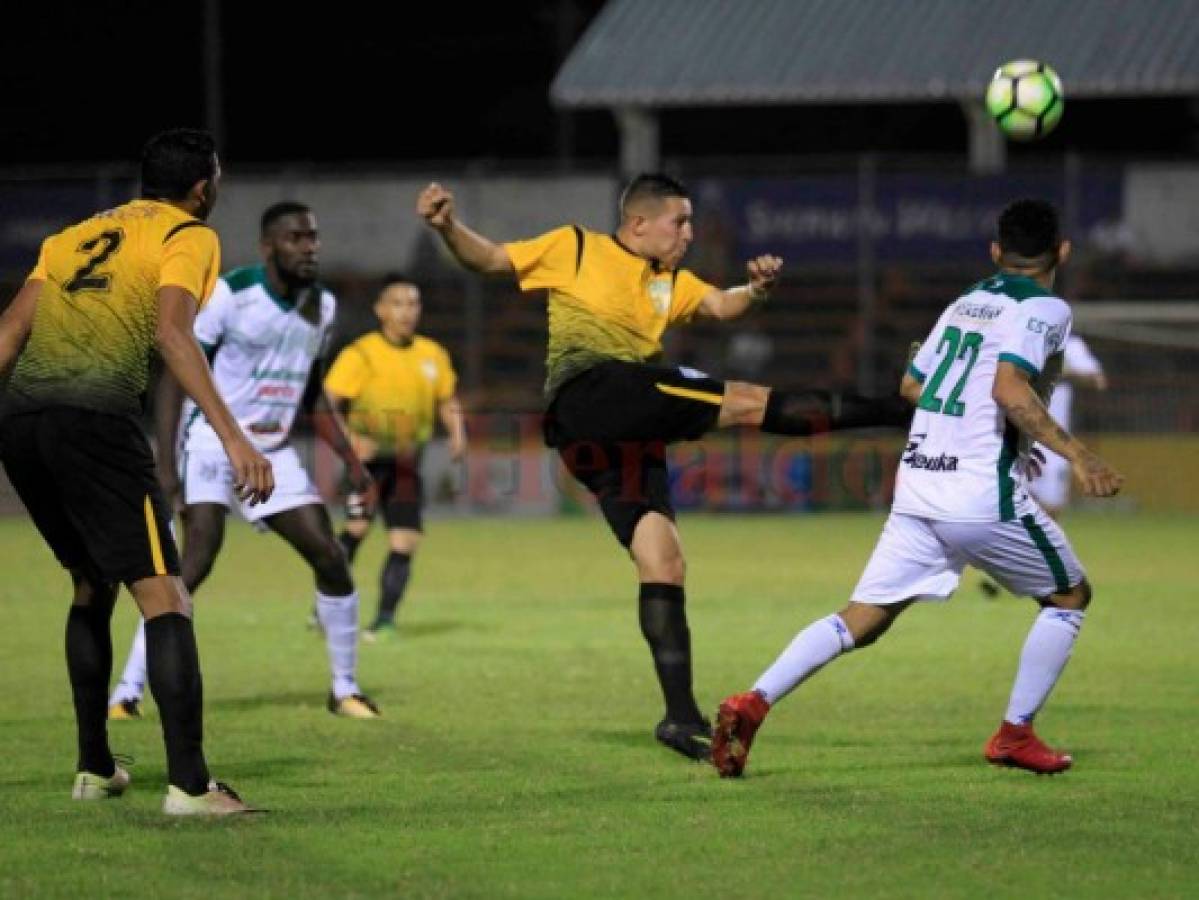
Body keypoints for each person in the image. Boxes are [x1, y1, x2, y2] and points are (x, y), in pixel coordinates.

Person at [416, 173, 912, 761]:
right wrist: (448, 226)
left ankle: (679, 718)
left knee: (663, 560)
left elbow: (720, 305)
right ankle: (900, 408)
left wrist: (754, 290)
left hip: (613, 434)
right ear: (637, 224)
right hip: (595, 390)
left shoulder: (667, 282)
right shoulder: (576, 246)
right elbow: (492, 258)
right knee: (749, 402)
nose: (689, 233)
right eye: (680, 221)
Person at [711, 199, 1124, 778]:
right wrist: (1077, 455)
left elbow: (911, 385)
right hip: (978, 494)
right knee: (1069, 597)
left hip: (920, 483)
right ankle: (1014, 734)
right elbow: (1010, 388)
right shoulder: (1048, 308)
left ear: (995, 252)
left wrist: (1007, 440)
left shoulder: (964, 304)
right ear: (1062, 252)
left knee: (861, 619)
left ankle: (752, 702)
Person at [0, 128, 272, 815]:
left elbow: (8, 332)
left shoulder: (70, 237)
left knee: (91, 585)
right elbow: (171, 332)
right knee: (166, 597)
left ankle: (95, 769)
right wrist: (235, 437)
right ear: (204, 187)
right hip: (95, 419)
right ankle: (189, 786)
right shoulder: (188, 234)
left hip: (24, 420)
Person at [107, 201, 382, 720]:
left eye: (313, 238)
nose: (309, 247)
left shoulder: (321, 307)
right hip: (212, 442)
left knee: (330, 556)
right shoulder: (231, 295)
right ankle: (126, 691)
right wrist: (166, 469)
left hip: (272, 452)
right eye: (296, 238)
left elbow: (313, 393)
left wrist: (350, 459)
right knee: (196, 560)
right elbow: (172, 377)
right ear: (268, 246)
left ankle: (344, 689)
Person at [323, 273, 465, 641]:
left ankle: (384, 621)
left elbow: (447, 399)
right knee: (356, 530)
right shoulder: (362, 353)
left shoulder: (432, 354)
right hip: (365, 464)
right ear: (380, 309)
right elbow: (327, 400)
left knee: (405, 541)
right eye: (398, 303)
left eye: (413, 304)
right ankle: (327, 603)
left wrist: (457, 432)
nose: (406, 312)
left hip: (405, 462)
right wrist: (350, 438)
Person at [1030, 334, 1107, 516]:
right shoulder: (1020, 340)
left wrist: (1063, 371)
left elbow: (1098, 380)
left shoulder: (1070, 346)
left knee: (1052, 505)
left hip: (1053, 442)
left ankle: (1046, 543)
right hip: (1014, 436)